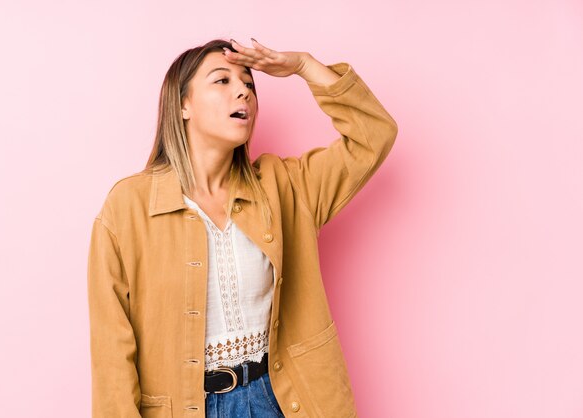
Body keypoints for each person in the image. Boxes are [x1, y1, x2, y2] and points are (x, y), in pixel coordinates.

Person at [87, 37, 398, 418]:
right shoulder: (128, 208)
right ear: (183, 105)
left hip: (282, 399)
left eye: (249, 85)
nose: (243, 93)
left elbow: (374, 135)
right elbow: (111, 351)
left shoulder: (285, 187)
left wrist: (303, 66)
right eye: (222, 81)